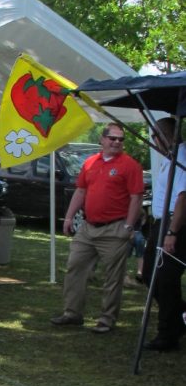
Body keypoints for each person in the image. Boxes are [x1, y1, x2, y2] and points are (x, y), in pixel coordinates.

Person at [50, 123, 144, 333]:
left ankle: (106, 320)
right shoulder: (90, 162)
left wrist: (128, 226)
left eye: (121, 139)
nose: (117, 142)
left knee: (113, 276)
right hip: (88, 227)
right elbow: (81, 191)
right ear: (102, 140)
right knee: (75, 267)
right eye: (113, 138)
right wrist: (68, 218)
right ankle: (72, 313)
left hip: (114, 228)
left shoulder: (130, 165)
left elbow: (136, 198)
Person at [141, 117, 186, 351]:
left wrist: (172, 231)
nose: (153, 141)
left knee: (165, 277)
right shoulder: (170, 158)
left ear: (166, 135)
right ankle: (179, 317)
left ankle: (168, 333)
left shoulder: (182, 156)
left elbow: (182, 196)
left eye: (155, 135)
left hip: (172, 224)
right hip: (160, 222)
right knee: (149, 274)